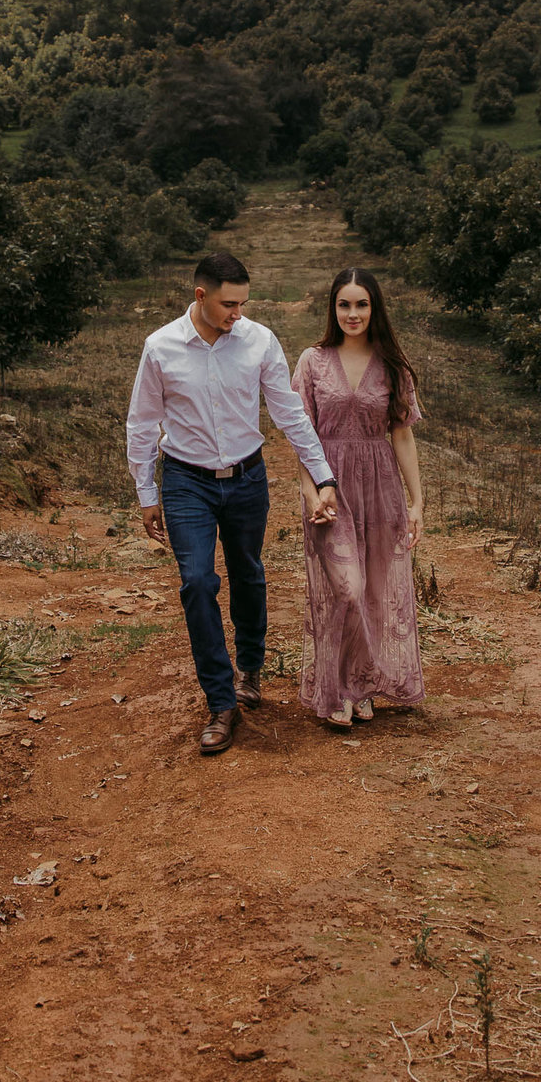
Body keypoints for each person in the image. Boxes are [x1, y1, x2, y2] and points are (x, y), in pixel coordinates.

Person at [127, 252, 342, 755]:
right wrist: (146, 492)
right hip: (186, 480)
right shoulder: (160, 347)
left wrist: (322, 473)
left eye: (244, 303)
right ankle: (220, 701)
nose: (237, 314)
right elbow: (142, 422)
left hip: (247, 476)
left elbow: (289, 413)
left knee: (247, 571)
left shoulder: (260, 340)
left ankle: (250, 668)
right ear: (200, 296)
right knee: (197, 581)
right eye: (229, 304)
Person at [292, 266, 425, 729]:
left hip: (380, 488)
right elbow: (299, 434)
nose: (353, 313)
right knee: (343, 589)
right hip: (328, 489)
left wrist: (416, 502)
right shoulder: (312, 361)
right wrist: (310, 493)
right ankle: (337, 688)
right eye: (344, 304)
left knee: (369, 591)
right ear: (333, 307)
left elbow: (403, 437)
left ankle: (360, 685)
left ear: (375, 308)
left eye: (362, 304)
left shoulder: (393, 365)